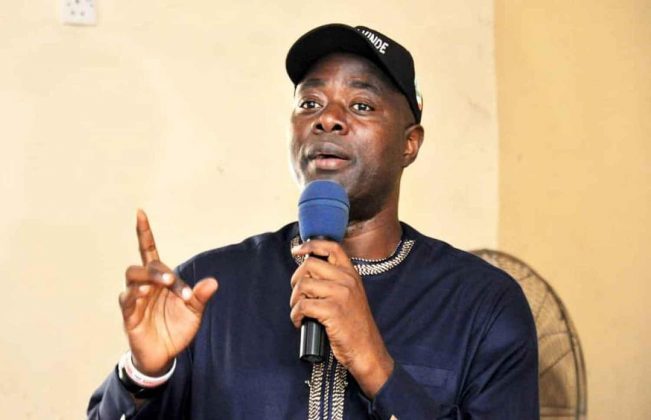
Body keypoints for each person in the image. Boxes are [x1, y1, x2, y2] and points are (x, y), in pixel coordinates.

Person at [87, 24, 539, 419]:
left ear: (410, 144)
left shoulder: (483, 304)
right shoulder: (207, 289)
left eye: (361, 105)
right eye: (310, 102)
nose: (328, 119)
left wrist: (375, 365)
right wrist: (143, 376)